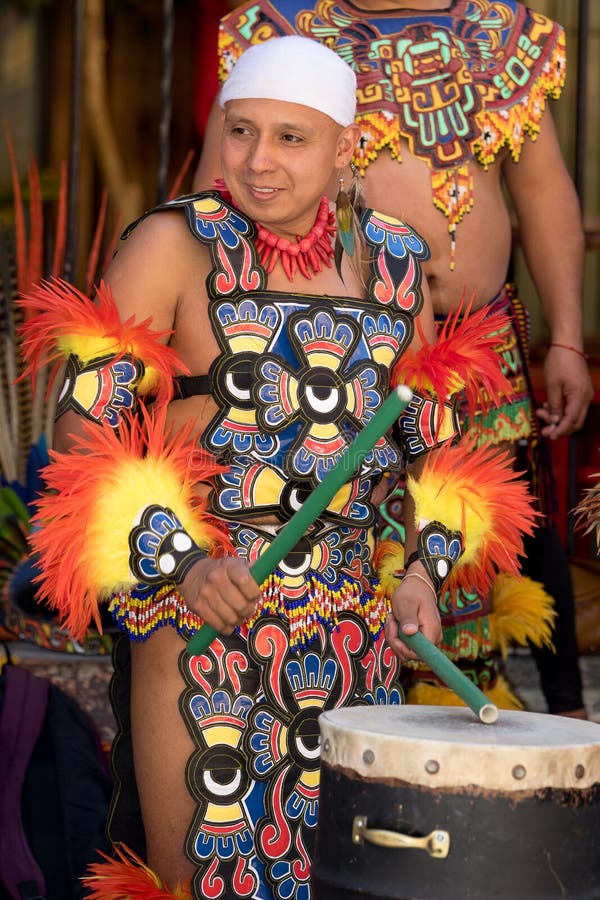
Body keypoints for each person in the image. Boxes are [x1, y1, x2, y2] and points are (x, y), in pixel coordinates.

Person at [19, 35, 537, 898]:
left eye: (290, 138)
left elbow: (438, 448)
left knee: (345, 878)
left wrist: (421, 572)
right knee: (206, 881)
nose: (257, 162)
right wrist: (183, 564)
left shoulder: (398, 262)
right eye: (239, 131)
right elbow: (82, 434)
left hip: (353, 632)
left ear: (345, 148)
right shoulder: (173, 245)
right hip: (203, 623)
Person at [193, 0, 594, 718]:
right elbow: (214, 200)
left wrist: (566, 335)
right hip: (329, 349)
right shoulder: (278, 27)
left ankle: (552, 732)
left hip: (477, 341)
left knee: (496, 525)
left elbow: (543, 193)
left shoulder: (505, 33)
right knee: (347, 529)